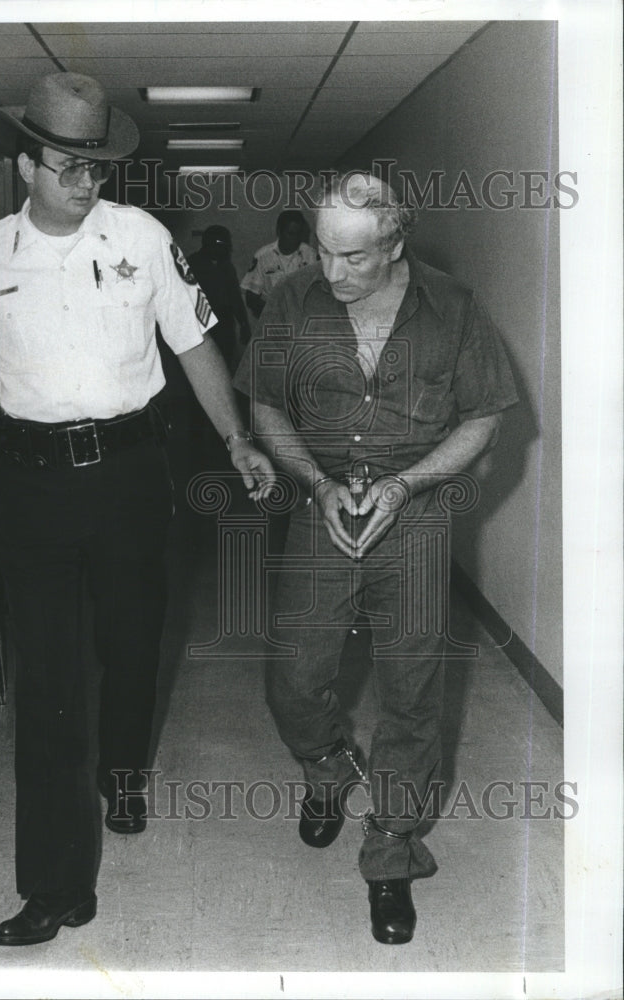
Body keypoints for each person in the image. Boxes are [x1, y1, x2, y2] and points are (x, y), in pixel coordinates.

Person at [0, 72, 274, 948]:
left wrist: (235, 439)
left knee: (131, 641)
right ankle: (54, 885)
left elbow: (194, 343)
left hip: (128, 476)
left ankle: (124, 772)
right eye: (66, 168)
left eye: (96, 169)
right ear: (24, 167)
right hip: (34, 486)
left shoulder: (144, 237)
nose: (85, 185)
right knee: (48, 689)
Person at [233, 172, 518, 945]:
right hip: (320, 506)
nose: (333, 273)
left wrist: (405, 484)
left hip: (415, 514)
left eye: (354, 258)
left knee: (412, 689)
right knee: (293, 676)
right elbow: (263, 402)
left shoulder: (451, 308)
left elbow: (484, 417)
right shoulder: (294, 300)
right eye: (325, 252)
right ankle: (327, 770)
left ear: (396, 244)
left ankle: (391, 849)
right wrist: (318, 485)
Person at [187, 224, 250, 372]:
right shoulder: (192, 265)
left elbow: (235, 297)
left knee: (225, 367)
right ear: (208, 243)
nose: (225, 249)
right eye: (221, 244)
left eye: (226, 245)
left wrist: (244, 323)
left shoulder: (226, 266)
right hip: (201, 326)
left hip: (224, 325)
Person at [240, 209, 318, 319]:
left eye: (298, 234)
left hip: (302, 318)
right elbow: (251, 298)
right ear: (279, 231)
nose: (295, 239)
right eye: (290, 234)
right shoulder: (263, 256)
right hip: (273, 319)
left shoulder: (310, 255)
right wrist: (275, 312)